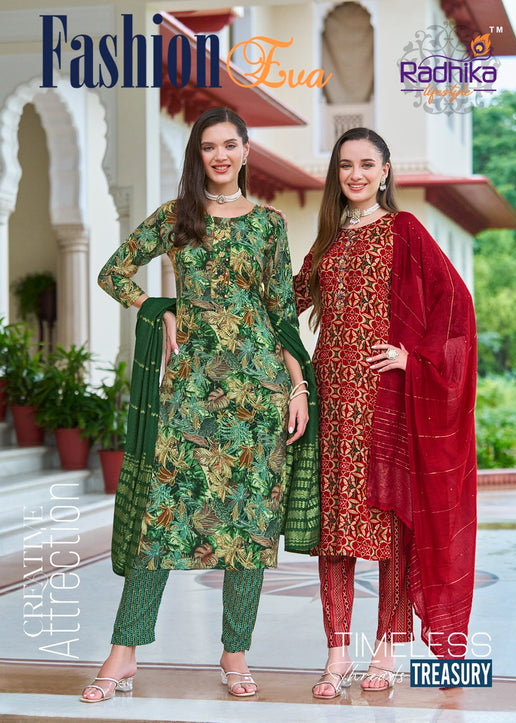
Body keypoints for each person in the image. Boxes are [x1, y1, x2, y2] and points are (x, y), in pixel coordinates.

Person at [81, 107, 313, 703]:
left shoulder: (269, 224)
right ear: (198, 155)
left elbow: (282, 314)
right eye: (209, 147)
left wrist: (298, 388)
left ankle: (235, 653)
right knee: (160, 520)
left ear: (245, 150)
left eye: (230, 145)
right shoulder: (177, 217)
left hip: (259, 393)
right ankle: (123, 652)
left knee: (249, 527)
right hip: (189, 393)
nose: (220, 156)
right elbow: (113, 273)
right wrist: (158, 308)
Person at [293, 127, 477, 697]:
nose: (355, 175)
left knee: (390, 527)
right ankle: (336, 657)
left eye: (366, 164)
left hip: (385, 402)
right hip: (331, 400)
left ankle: (386, 652)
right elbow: (281, 305)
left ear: (385, 171)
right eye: (345, 165)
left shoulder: (405, 230)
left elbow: (456, 305)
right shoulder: (327, 241)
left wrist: (412, 357)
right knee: (335, 533)